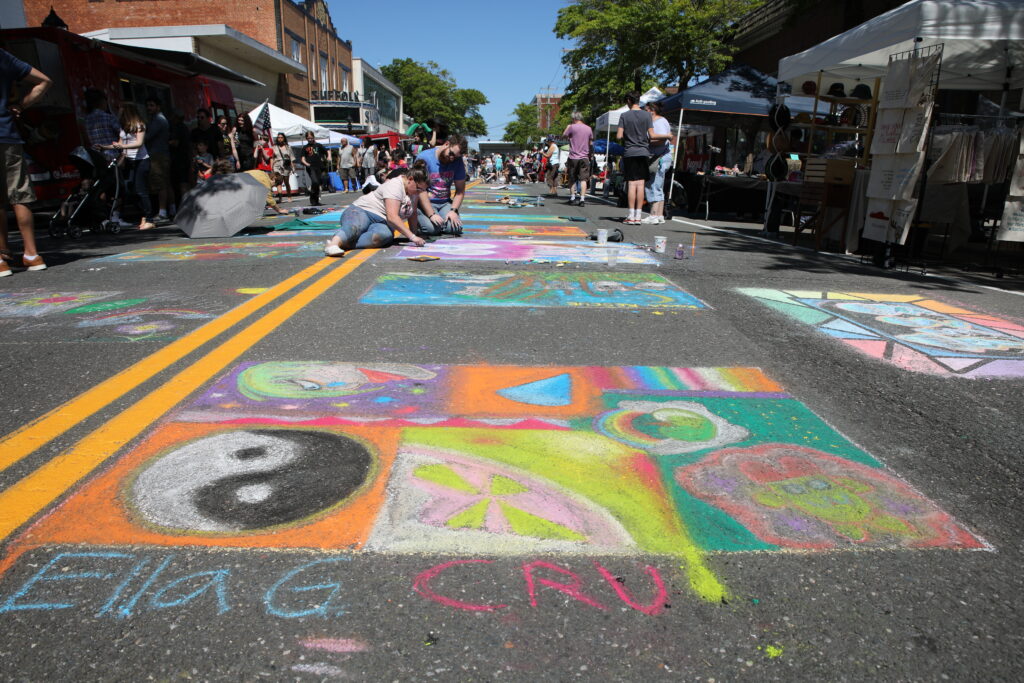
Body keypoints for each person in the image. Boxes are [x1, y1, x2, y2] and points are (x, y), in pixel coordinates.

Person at [0, 48, 51, 277]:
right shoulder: (3, 56)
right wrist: (21, 105)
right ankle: (32, 254)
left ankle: (1, 259)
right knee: (19, 195)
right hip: (7, 134)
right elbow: (44, 81)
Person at [324, 163, 429, 257]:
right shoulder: (395, 185)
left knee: (384, 236)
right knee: (356, 227)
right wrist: (412, 237)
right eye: (418, 188)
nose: (419, 192)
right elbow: (392, 217)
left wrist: (415, 234)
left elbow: (412, 214)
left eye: (422, 190)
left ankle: (345, 243)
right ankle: (333, 244)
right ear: (410, 179)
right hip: (362, 210)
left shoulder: (414, 192)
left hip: (382, 221)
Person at [96, 103, 154, 230]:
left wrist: (122, 146)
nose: (119, 113)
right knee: (131, 189)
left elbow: (139, 143)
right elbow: (119, 143)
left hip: (141, 161)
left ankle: (149, 219)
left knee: (141, 190)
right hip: (130, 161)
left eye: (121, 110)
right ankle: (144, 215)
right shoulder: (124, 127)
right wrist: (104, 147)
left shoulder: (139, 125)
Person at [415, 133, 467, 237]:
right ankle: (419, 220)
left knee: (455, 228)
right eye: (451, 154)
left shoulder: (458, 161)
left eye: (456, 157)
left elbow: (460, 191)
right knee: (431, 229)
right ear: (447, 144)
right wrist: (431, 214)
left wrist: (453, 211)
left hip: (444, 203)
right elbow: (420, 189)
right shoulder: (424, 157)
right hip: (425, 202)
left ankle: (440, 224)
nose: (452, 158)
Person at [616, 91, 652, 225]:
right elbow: (652, 134)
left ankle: (631, 215)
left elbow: (619, 136)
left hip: (630, 152)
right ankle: (638, 216)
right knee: (641, 184)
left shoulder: (624, 116)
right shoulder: (647, 115)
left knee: (631, 184)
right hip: (643, 152)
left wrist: (628, 134)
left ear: (629, 101)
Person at [641, 100, 674, 224]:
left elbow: (661, 140)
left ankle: (654, 214)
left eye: (646, 110)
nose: (644, 113)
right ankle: (659, 215)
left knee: (653, 185)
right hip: (661, 156)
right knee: (658, 186)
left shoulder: (659, 122)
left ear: (652, 111)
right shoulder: (660, 121)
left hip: (659, 157)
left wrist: (646, 142)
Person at [144, 97, 171, 220]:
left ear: (158, 107)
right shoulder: (157, 119)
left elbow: (147, 136)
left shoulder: (159, 120)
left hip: (158, 155)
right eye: (148, 105)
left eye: (152, 105)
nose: (149, 108)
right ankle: (165, 210)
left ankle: (162, 211)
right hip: (158, 154)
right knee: (162, 182)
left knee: (160, 183)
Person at [563, 111, 594, 206]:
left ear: (574, 118)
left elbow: (564, 136)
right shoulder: (588, 128)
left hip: (573, 157)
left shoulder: (572, 127)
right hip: (584, 157)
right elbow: (591, 143)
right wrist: (590, 154)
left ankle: (572, 198)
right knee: (583, 179)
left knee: (572, 178)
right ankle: (582, 199)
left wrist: (568, 127)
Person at [300, 131, 326, 206]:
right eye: (308, 138)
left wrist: (328, 157)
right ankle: (312, 197)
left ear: (313, 137)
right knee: (315, 182)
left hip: (319, 166)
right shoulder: (305, 147)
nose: (310, 139)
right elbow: (302, 158)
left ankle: (316, 201)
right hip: (310, 167)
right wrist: (306, 163)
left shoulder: (318, 145)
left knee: (317, 183)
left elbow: (326, 151)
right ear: (306, 138)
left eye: (311, 138)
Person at [271, 133, 293, 201]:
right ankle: (280, 197)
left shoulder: (288, 147)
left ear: (284, 138)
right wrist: (271, 166)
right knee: (278, 181)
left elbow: (291, 158)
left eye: (281, 137)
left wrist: (293, 167)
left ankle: (289, 196)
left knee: (286, 182)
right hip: (277, 165)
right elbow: (272, 157)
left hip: (286, 165)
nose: (280, 139)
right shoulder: (274, 147)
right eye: (279, 137)